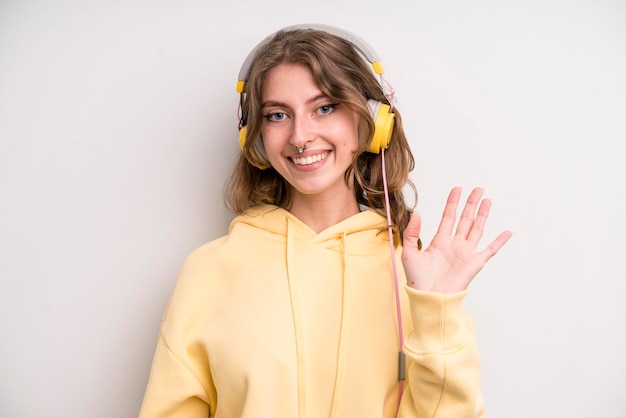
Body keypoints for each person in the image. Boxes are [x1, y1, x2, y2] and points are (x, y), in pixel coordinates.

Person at [138, 23, 512, 418]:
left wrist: (438, 312)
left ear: (371, 121)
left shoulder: (413, 272)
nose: (300, 136)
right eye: (278, 115)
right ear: (257, 136)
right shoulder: (211, 270)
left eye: (324, 107)